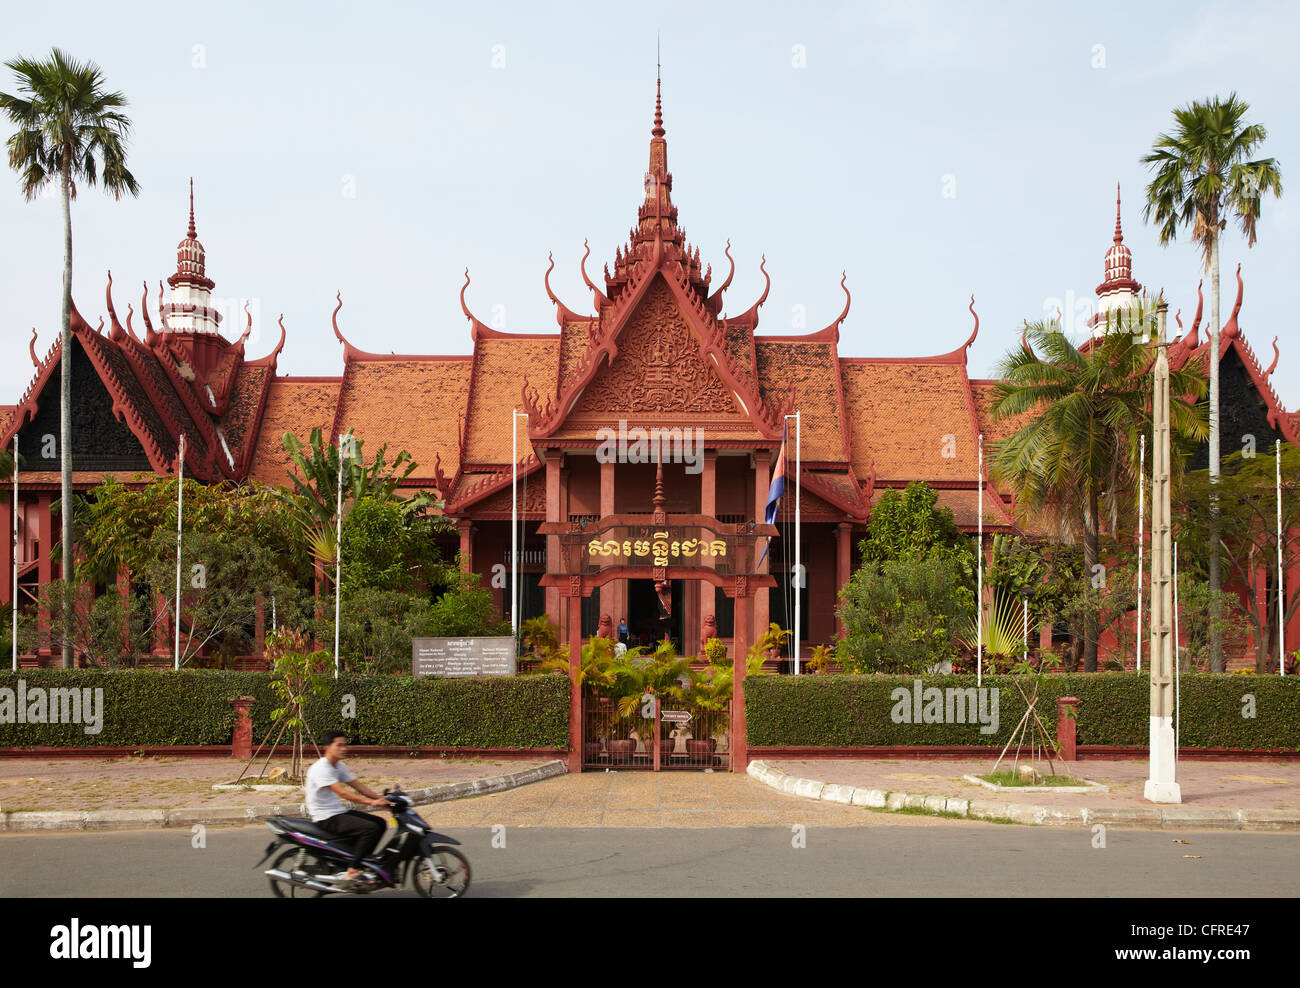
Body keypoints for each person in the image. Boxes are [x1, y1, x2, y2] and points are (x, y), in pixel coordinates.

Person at [305, 730, 389, 887]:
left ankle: (360, 860)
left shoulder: (339, 766)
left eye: (345, 745)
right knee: (369, 829)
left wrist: (381, 800)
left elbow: (359, 787)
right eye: (339, 745)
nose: (344, 748)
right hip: (325, 817)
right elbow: (343, 792)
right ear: (328, 747)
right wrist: (371, 803)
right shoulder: (321, 768)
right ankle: (353, 869)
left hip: (337, 811)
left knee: (380, 823)